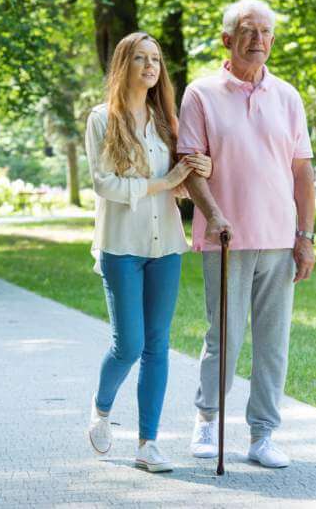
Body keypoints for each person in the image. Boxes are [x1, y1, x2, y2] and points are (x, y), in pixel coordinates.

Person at [179, 0, 316, 468]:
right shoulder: (200, 94)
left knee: (273, 341)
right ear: (227, 39)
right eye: (247, 31)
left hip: (279, 239)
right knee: (225, 336)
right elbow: (190, 166)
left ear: (273, 40)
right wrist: (214, 215)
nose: (258, 40)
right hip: (225, 238)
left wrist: (306, 236)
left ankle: (263, 434)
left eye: (265, 32)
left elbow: (302, 173)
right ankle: (206, 420)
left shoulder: (288, 96)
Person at [84, 32, 213, 473]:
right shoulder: (101, 119)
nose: (149, 66)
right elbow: (105, 185)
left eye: (155, 58)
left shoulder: (167, 122)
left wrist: (201, 170)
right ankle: (101, 410)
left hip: (166, 247)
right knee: (129, 344)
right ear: (124, 65)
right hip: (121, 246)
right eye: (140, 58)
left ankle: (148, 444)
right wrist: (164, 181)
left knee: (158, 345)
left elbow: (179, 185)